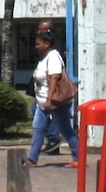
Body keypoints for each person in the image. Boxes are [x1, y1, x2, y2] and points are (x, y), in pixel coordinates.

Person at [27, 24, 77, 167]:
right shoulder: (44, 58)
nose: (36, 46)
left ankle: (78, 157)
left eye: (38, 44)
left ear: (47, 44)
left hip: (55, 103)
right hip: (41, 102)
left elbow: (54, 78)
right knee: (38, 129)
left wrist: (49, 100)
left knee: (66, 130)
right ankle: (32, 159)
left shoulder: (53, 57)